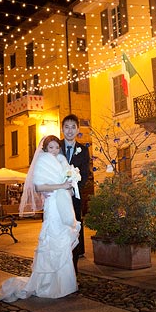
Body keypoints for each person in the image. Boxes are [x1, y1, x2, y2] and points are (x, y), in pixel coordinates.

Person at [0, 135, 81, 302]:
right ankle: (48, 284)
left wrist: (71, 180)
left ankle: (65, 284)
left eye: (56, 147)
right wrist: (61, 186)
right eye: (51, 147)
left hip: (63, 203)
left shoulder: (61, 161)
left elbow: (67, 179)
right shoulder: (42, 161)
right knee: (52, 239)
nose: (54, 150)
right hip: (53, 205)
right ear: (45, 148)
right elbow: (39, 186)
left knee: (62, 241)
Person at [60, 114, 90, 271]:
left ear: (78, 129)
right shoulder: (55, 147)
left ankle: (73, 268)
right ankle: (59, 266)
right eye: (67, 127)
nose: (70, 131)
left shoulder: (83, 150)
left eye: (73, 127)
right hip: (57, 198)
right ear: (62, 129)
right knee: (58, 231)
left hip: (74, 199)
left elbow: (85, 175)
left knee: (75, 230)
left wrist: (74, 189)